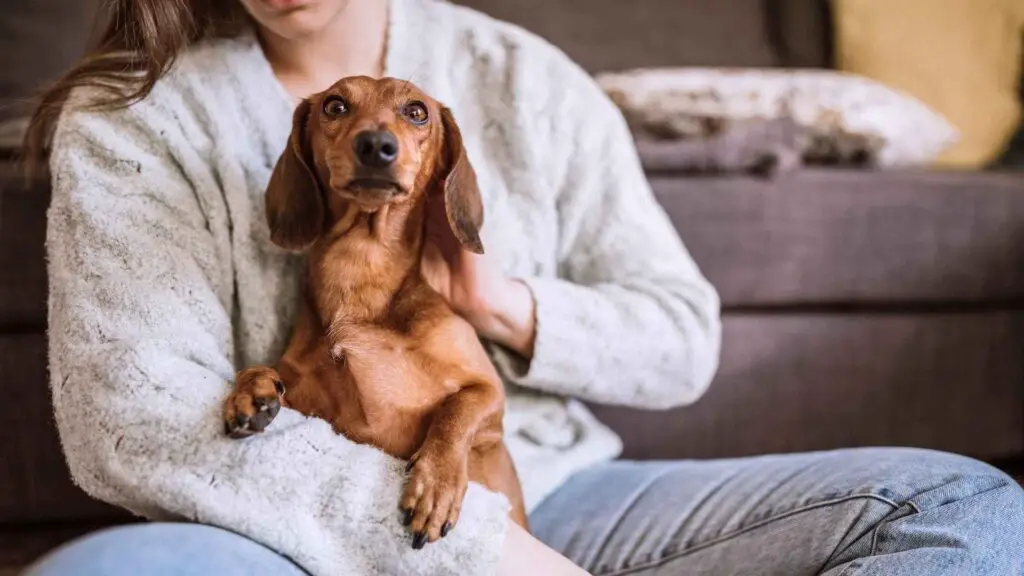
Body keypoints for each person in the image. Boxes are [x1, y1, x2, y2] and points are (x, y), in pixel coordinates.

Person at [21, 0, 1024, 574]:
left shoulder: (523, 78)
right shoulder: (136, 117)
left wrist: (499, 301)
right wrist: (487, 559)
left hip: (559, 497)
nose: (374, 135)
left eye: (404, 123)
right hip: (283, 533)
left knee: (966, 507)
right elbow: (138, 422)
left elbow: (682, 335)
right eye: (346, 122)